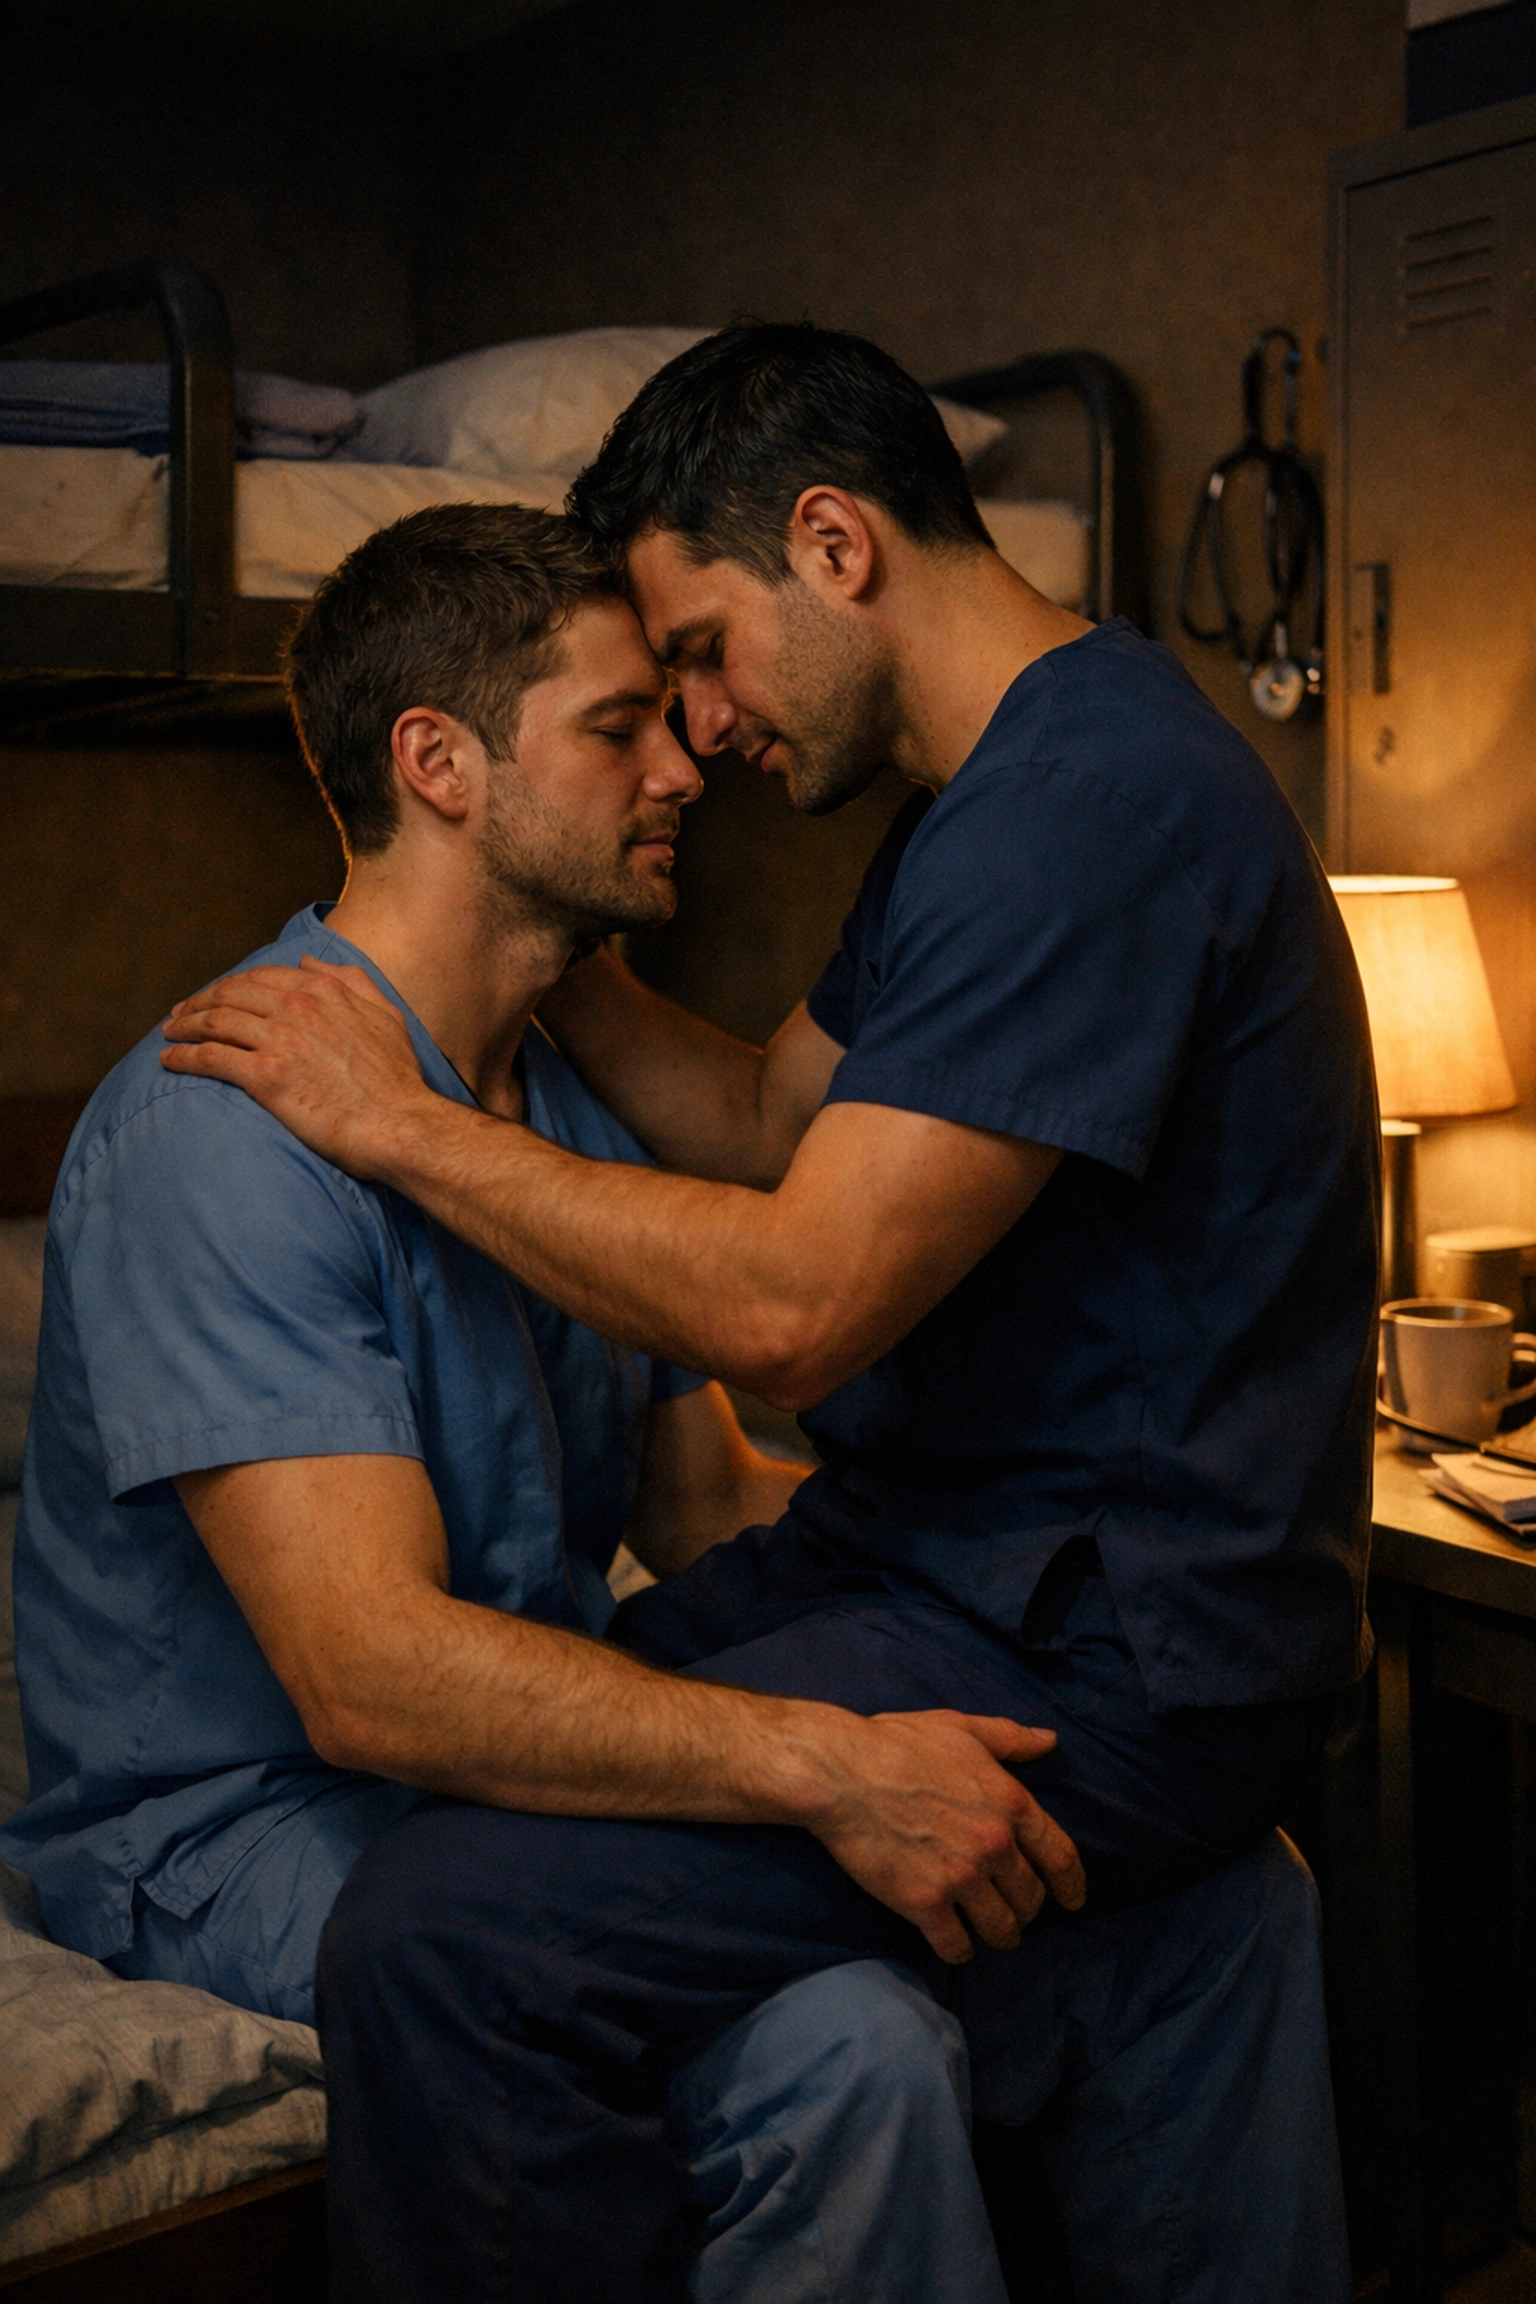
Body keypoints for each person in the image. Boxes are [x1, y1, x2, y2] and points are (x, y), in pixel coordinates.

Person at [162, 325, 1376, 2304]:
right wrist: (532, 960)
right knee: (526, 1736)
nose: (700, 735)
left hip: (1119, 1633)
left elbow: (797, 1304)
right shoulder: (972, 815)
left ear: (834, 542)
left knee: (438, 1941)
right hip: (935, 1560)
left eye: (705, 656)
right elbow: (766, 1126)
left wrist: (397, 1127)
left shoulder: (1089, 812)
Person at [2, 503, 1059, 2304]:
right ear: (442, 765)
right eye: (618, 725)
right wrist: (820, 1766)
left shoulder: (560, 1115)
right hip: (230, 1827)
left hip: (493, 1786)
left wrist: (1007, 1630)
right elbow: (370, 1676)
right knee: (840, 2044)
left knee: (934, 1985)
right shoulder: (226, 1125)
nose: (687, 763)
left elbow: (707, 1512)